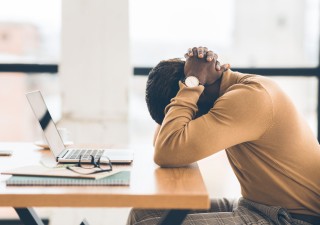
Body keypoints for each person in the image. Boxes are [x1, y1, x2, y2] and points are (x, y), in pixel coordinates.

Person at [127, 47, 320, 225]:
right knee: (142, 214)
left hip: (291, 218)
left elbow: (166, 151)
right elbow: (161, 141)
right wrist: (193, 80)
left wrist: (192, 81)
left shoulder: (248, 97)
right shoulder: (230, 91)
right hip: (256, 206)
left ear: (196, 96)